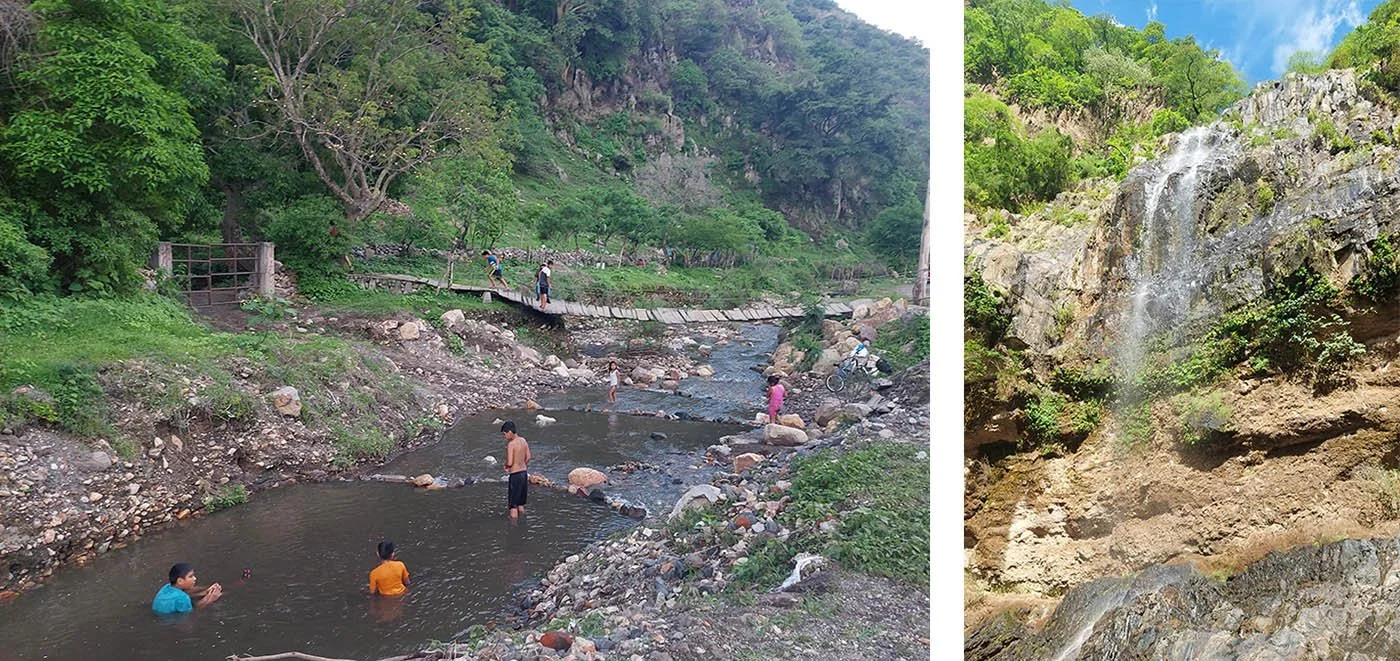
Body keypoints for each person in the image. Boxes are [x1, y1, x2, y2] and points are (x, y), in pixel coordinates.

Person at [152, 563, 221, 615]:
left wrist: (206, 591)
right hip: (169, 620)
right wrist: (210, 599)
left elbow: (185, 592)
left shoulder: (167, 586)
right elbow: (191, 614)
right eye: (190, 576)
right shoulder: (183, 598)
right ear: (180, 581)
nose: (194, 578)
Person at [501, 420, 532, 520]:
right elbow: (528, 457)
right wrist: (522, 465)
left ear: (510, 432)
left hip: (515, 475)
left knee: (513, 505)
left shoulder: (511, 444)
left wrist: (506, 466)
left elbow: (510, 462)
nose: (504, 436)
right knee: (521, 504)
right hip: (524, 473)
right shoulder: (523, 440)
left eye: (505, 434)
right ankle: (523, 522)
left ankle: (514, 528)